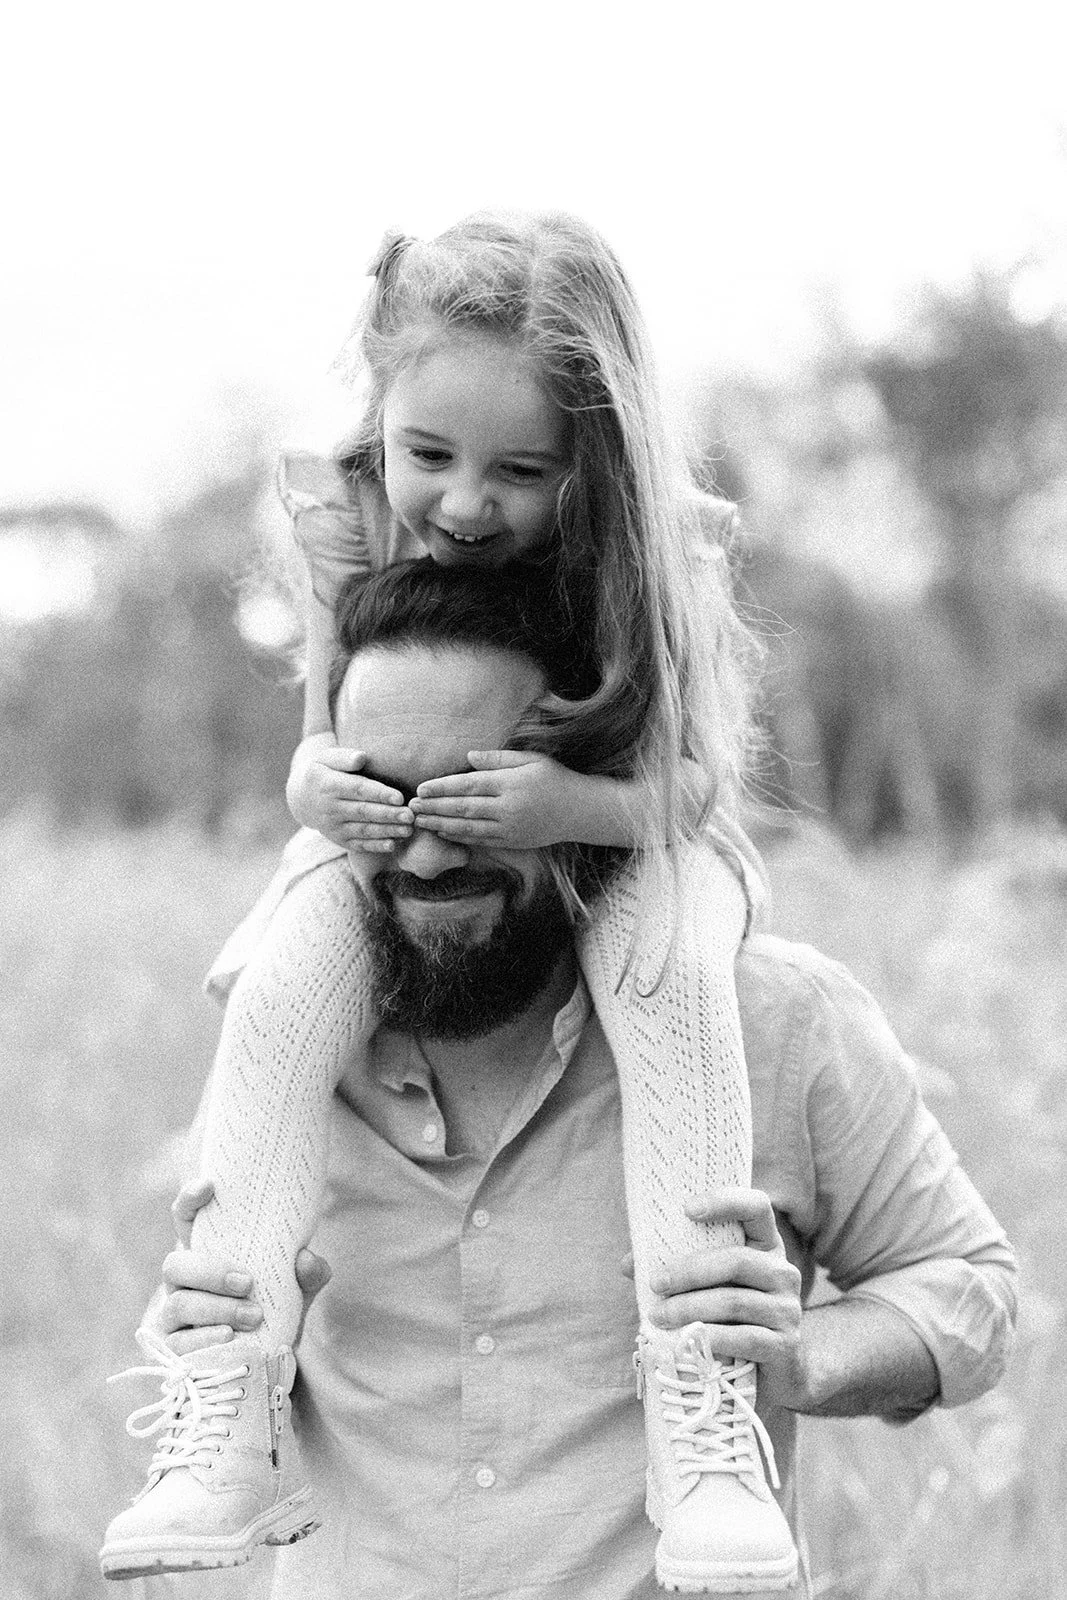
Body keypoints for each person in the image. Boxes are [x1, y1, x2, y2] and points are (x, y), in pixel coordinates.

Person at [100, 210, 781, 1590]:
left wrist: (563, 808)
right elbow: (315, 741)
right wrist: (322, 799)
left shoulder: (641, 553)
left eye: (518, 470)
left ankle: (696, 1421)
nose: (466, 505)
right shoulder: (353, 520)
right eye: (432, 456)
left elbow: (696, 788)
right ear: (382, 419)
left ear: (588, 456)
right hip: (403, 835)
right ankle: (221, 1405)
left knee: (664, 978)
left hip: (628, 836)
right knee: (285, 984)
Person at [138, 559, 1016, 1600]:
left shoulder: (773, 1018)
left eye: (471, 799)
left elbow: (969, 1293)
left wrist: (801, 1358)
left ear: (585, 786)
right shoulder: (278, 1046)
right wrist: (210, 1335)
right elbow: (226, 1412)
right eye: (380, 801)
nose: (421, 857)